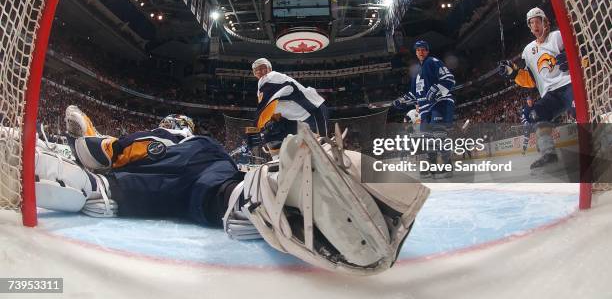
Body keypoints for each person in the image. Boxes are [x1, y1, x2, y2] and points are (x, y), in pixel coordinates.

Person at [34, 105, 430, 274]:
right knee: (229, 190)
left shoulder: (148, 136)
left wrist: (81, 128)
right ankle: (264, 194)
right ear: (186, 124)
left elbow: (96, 151)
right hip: (211, 166)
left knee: (113, 188)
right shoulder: (201, 140)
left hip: (157, 175)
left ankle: (79, 186)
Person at [498, 7, 574, 170]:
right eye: (531, 23)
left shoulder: (557, 37)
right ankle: (549, 154)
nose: (535, 26)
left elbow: (580, 54)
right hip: (550, 95)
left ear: (545, 22)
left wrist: (572, 60)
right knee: (535, 114)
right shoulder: (528, 51)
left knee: (579, 110)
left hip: (569, 85)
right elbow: (530, 80)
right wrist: (513, 73)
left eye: (537, 21)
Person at [393, 40, 456, 177]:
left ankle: (447, 166)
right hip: (425, 109)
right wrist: (401, 100)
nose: (421, 52)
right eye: (418, 50)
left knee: (438, 135)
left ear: (427, 51)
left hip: (439, 104)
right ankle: (432, 166)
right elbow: (413, 95)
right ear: (416, 53)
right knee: (428, 139)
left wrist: (436, 89)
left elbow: (449, 79)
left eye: (423, 49)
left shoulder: (433, 62)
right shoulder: (416, 73)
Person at [250, 58, 329, 149]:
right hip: (296, 120)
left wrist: (254, 131)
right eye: (256, 70)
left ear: (270, 69)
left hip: (314, 112)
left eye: (263, 68)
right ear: (254, 74)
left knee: (321, 149)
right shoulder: (262, 88)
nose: (260, 71)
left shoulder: (272, 77)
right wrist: (266, 131)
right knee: (270, 138)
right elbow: (274, 110)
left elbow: (264, 109)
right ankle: (280, 159)